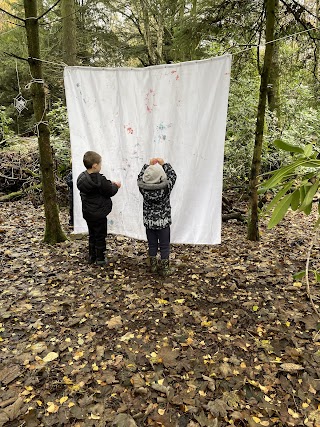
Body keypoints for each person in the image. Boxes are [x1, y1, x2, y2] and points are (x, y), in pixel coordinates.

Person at [77, 151, 121, 266]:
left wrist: (108, 183)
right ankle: (100, 258)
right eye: (100, 164)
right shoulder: (99, 180)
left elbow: (97, 188)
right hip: (99, 213)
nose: (101, 166)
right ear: (95, 165)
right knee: (100, 235)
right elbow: (110, 191)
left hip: (87, 212)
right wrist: (116, 185)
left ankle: (92, 256)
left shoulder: (82, 177)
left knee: (92, 234)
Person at [137, 158, 177, 276]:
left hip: (149, 222)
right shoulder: (166, 188)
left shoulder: (143, 188)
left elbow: (140, 177)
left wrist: (148, 166)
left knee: (152, 244)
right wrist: (164, 164)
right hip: (163, 223)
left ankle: (153, 266)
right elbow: (173, 175)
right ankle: (165, 268)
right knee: (164, 245)